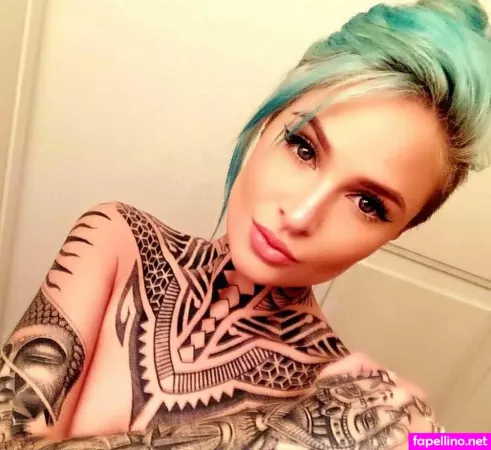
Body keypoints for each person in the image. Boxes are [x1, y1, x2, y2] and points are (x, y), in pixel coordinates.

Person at [1, 0, 490, 448]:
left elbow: (469, 444)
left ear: (396, 231)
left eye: (367, 203)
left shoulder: (350, 403)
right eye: (304, 148)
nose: (300, 215)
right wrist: (271, 434)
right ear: (267, 122)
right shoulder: (118, 240)